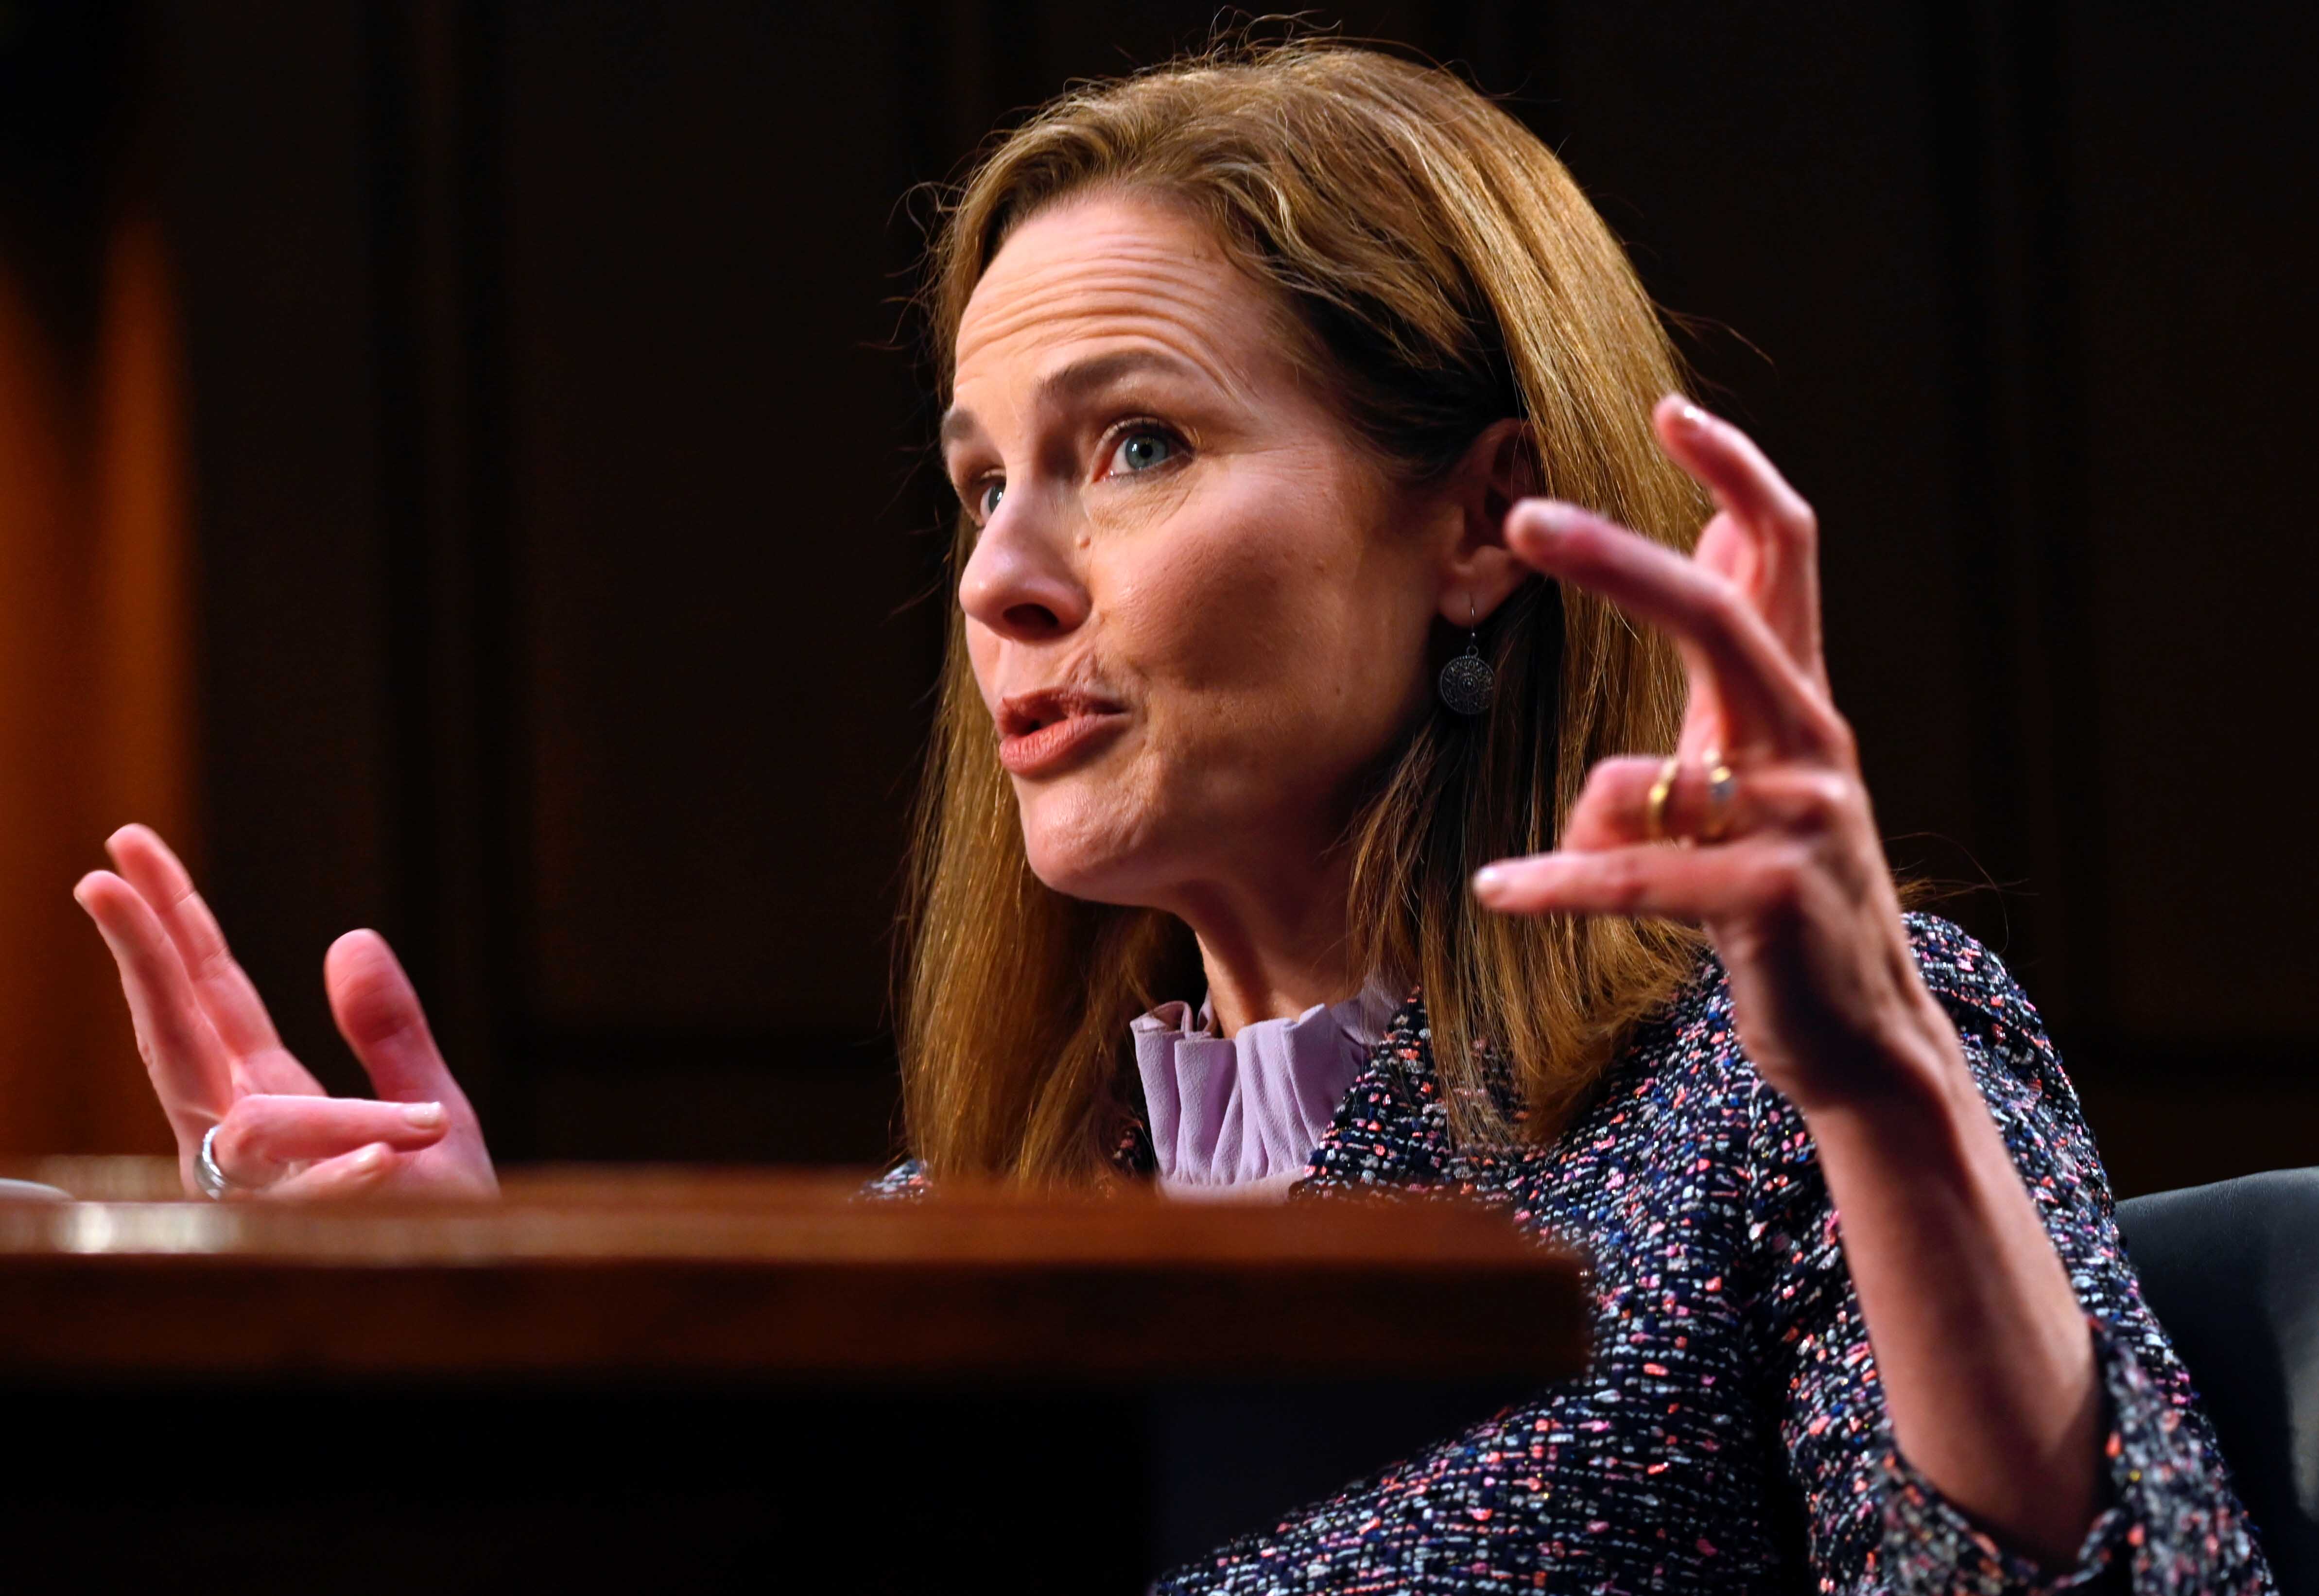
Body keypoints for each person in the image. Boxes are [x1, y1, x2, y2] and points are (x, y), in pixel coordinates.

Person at [73, 40, 2268, 1595]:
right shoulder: (952, 1247)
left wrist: (1884, 1092)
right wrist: (511, 1405)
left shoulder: (1762, 1106)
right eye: (975, 479)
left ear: (1484, 518)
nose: (999, 576)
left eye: (1128, 444)